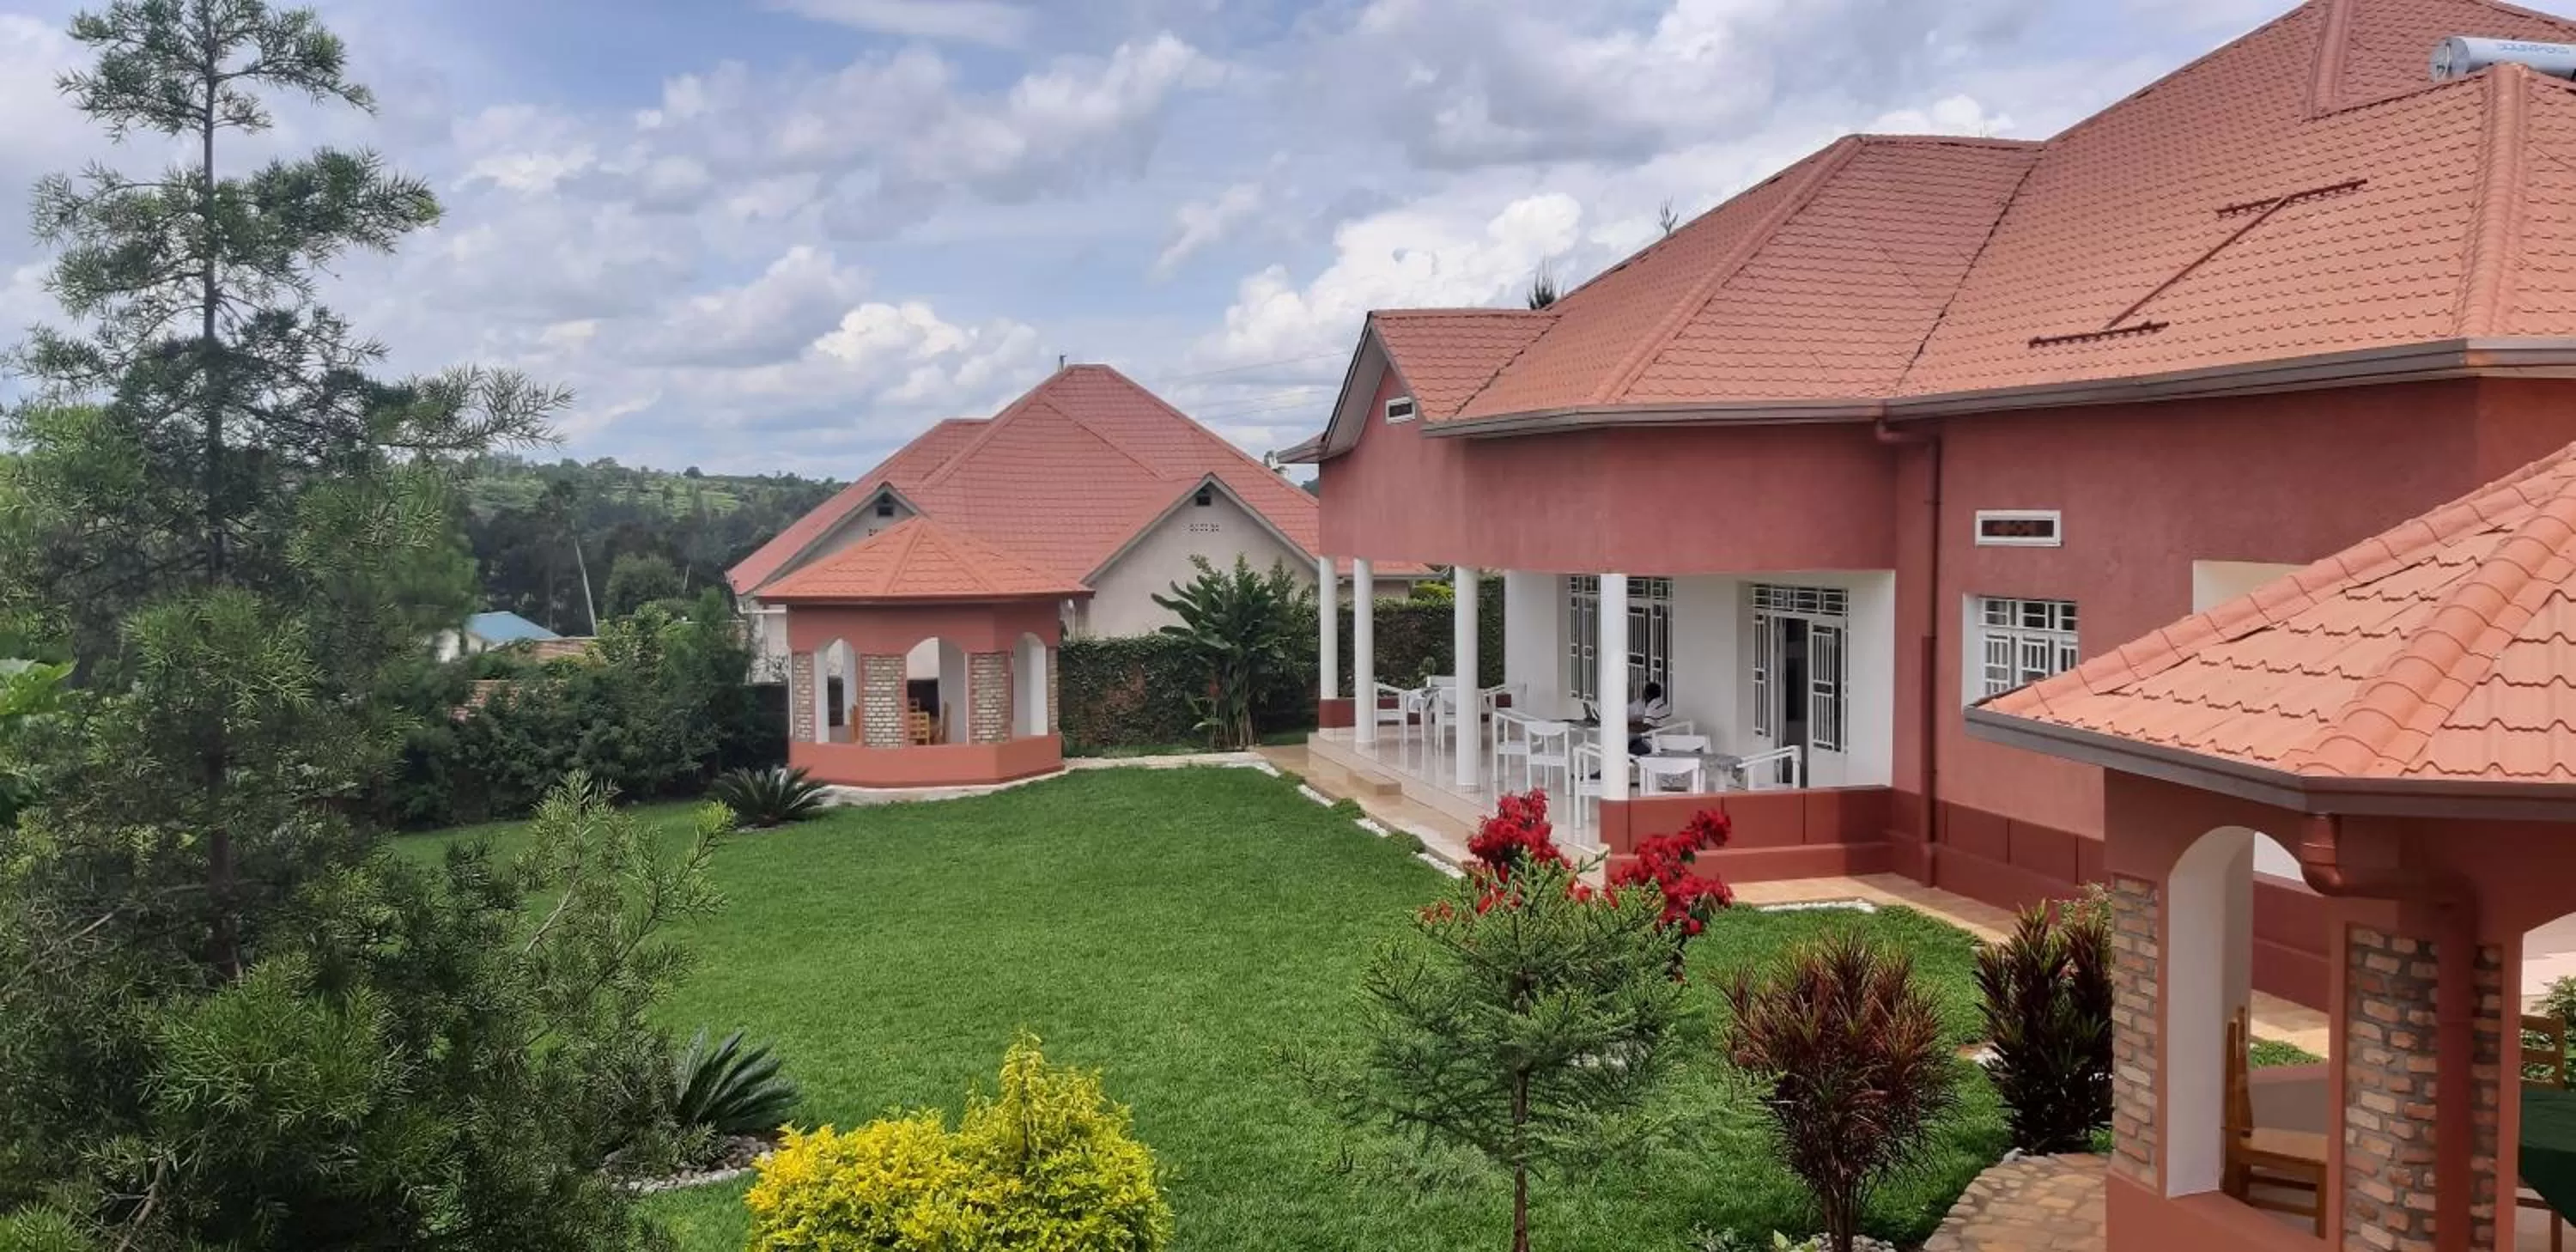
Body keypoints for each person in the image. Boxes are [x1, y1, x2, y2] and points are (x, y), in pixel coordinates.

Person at [1626, 681, 1671, 756]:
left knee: (1625, 751)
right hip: (1663, 737)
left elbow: (1644, 728)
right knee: (1632, 741)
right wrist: (1632, 724)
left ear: (1648, 695)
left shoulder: (1652, 708)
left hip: (1653, 742)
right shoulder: (1663, 705)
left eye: (1644, 693)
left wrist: (1625, 728)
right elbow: (1649, 723)